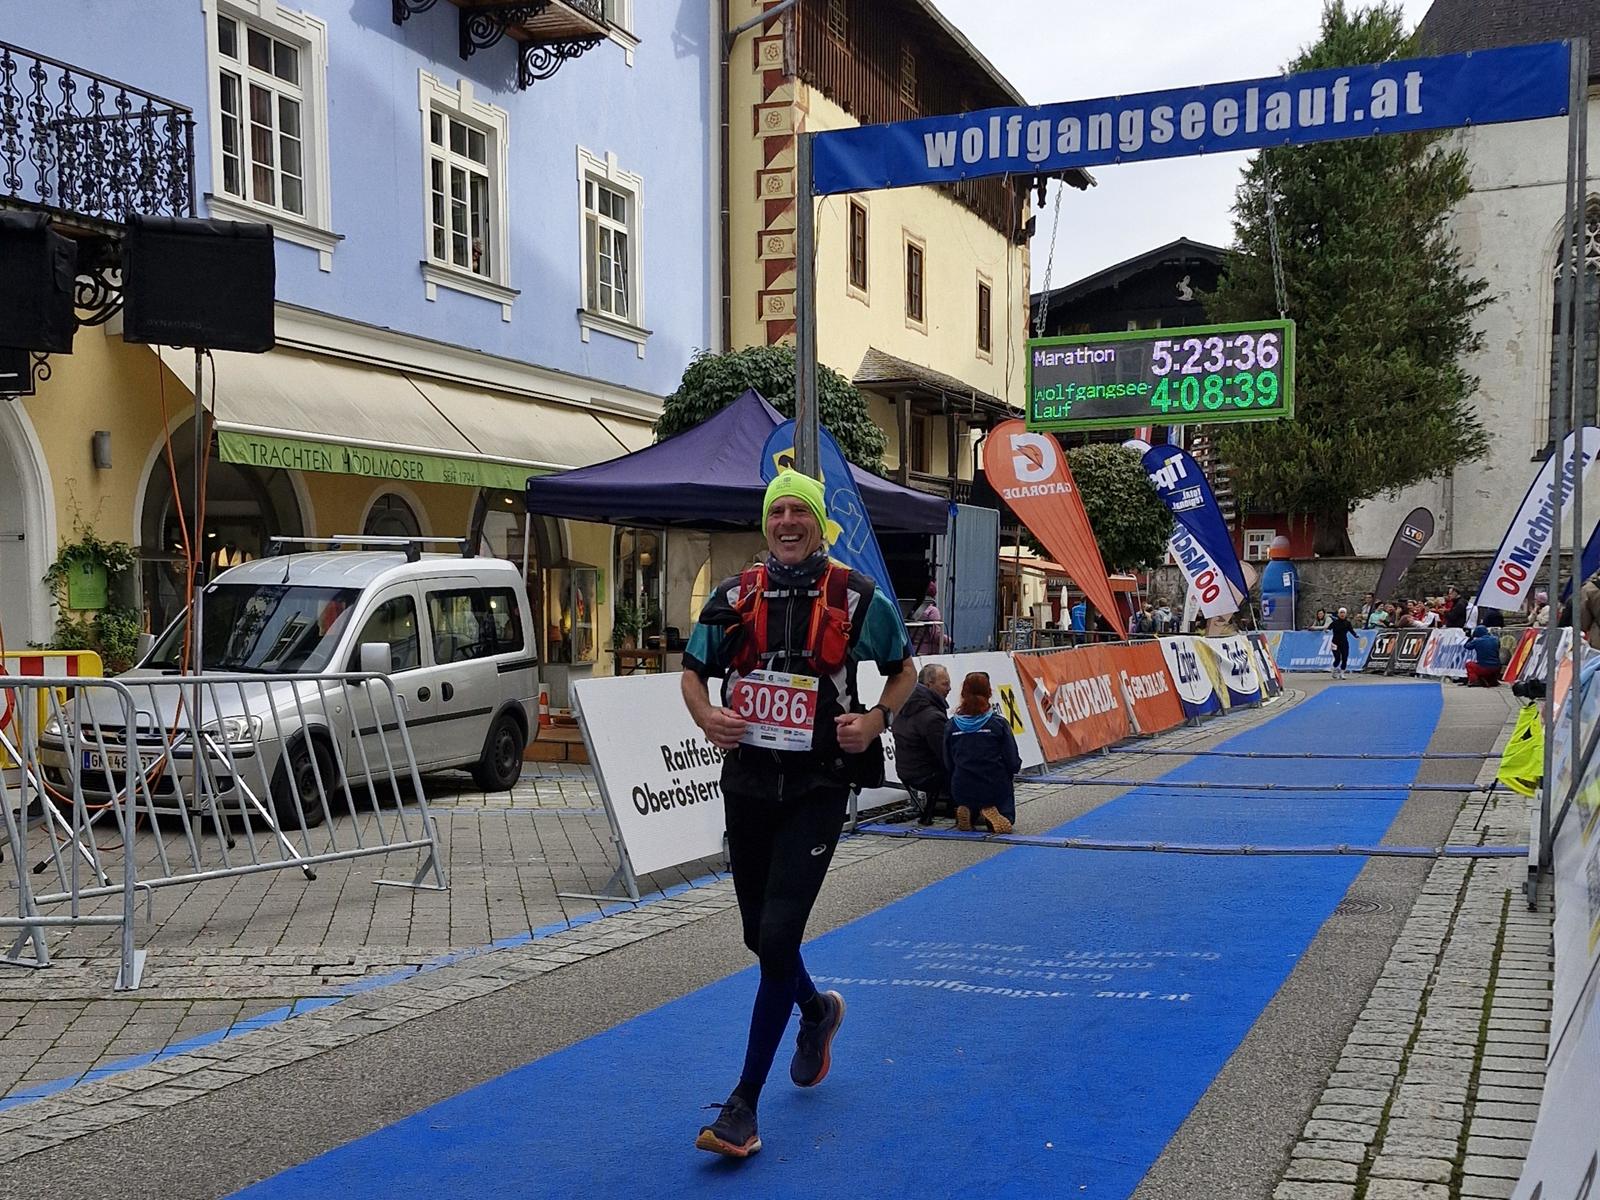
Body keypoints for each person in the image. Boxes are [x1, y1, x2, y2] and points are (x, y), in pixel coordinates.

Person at [681, 469, 914, 1160]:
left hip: (818, 784)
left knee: (779, 935)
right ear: (766, 523)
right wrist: (706, 717)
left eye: (799, 511)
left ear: (818, 523)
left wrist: (874, 720)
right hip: (749, 782)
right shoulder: (734, 595)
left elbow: (903, 669)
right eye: (776, 511)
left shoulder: (857, 596)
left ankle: (743, 1106)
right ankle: (816, 1011)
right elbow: (693, 672)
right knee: (759, 935)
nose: (787, 521)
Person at [944, 671, 1021, 834]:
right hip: (993, 784)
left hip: (961, 785)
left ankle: (968, 810)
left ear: (963, 693)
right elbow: (1012, 760)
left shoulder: (951, 725)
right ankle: (997, 811)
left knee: (965, 780)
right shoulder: (998, 723)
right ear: (989, 693)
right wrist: (1013, 770)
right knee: (1001, 782)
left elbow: (948, 761)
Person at [891, 663, 951, 825]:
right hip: (927, 775)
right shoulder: (931, 716)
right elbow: (945, 754)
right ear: (929, 685)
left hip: (905, 771)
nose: (949, 688)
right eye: (945, 684)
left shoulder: (903, 707)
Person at [909, 581, 946, 657]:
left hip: (912, 651)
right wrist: (948, 640)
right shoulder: (933, 611)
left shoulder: (911, 609)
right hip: (928, 653)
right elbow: (936, 636)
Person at [1329, 606, 1356, 679]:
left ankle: (1342, 673)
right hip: (1335, 643)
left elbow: (1351, 630)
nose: (1342, 614)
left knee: (1344, 658)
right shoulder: (1334, 623)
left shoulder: (1347, 623)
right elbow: (1329, 628)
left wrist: (1355, 635)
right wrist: (1327, 630)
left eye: (1343, 613)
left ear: (1346, 614)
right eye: (1341, 612)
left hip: (1344, 642)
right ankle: (1334, 669)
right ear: (1338, 614)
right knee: (1337, 658)